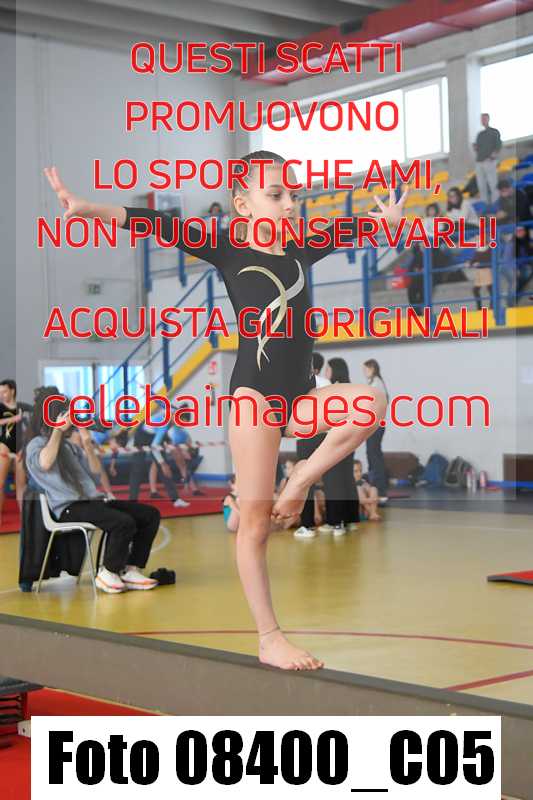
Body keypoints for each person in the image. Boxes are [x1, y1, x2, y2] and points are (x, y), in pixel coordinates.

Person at [44, 155, 405, 670]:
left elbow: (353, 229)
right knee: (255, 523)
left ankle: (302, 477)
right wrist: (86, 208)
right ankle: (269, 638)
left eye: (293, 195)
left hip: (301, 397)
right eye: (276, 195)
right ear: (243, 204)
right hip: (255, 399)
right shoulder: (228, 248)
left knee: (371, 403)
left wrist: (385, 222)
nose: (289, 204)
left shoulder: (302, 247)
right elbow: (154, 223)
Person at [24, 389, 160, 594]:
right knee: (123, 522)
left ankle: (130, 569)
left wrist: (87, 445)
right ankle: (109, 572)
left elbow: (96, 474)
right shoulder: (37, 444)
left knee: (149, 515)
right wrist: (57, 431)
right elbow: (45, 463)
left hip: (92, 501)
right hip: (69, 507)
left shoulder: (70, 446)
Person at [319, 358, 359, 536]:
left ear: (335, 370)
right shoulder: (350, 388)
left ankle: (336, 522)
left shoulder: (334, 389)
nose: (326, 372)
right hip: (351, 438)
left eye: (328, 369)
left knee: (333, 479)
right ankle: (349, 520)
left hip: (336, 439)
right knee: (346, 477)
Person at [0, 379, 29, 522]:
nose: (2, 395)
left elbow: (31, 424)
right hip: (4, 445)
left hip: (19, 447)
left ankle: (24, 519)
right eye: (0, 392)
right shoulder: (0, 407)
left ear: (12, 391)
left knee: (21, 485)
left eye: (4, 391)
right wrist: (13, 419)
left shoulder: (22, 407)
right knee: (0, 483)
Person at [363, 359, 389, 504]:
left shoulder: (376, 384)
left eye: (366, 369)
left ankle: (380, 490)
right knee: (373, 455)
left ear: (372, 368)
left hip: (376, 426)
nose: (364, 372)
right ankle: (376, 488)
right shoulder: (374, 383)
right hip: (375, 425)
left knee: (374, 457)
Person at [473, 113, 501, 205]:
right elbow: (477, 148)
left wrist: (493, 155)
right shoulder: (480, 134)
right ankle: (484, 203)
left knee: (493, 183)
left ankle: (496, 203)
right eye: (482, 119)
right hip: (479, 162)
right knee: (481, 185)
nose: (483, 120)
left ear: (488, 119)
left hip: (489, 161)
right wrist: (475, 147)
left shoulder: (494, 131)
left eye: (484, 119)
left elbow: (498, 145)